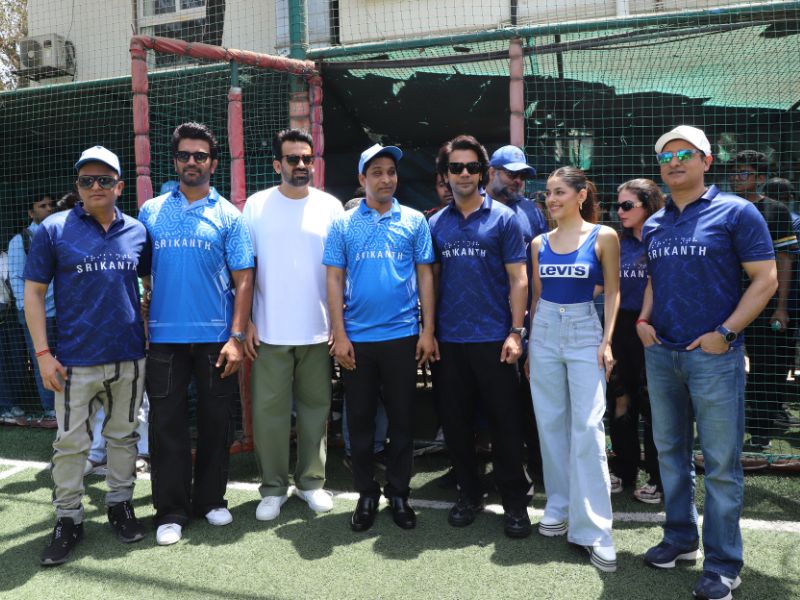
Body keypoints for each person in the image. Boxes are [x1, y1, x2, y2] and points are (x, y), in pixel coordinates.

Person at [637, 126, 777, 600]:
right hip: (662, 353)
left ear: (707, 160)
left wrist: (726, 334)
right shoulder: (655, 222)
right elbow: (655, 278)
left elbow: (766, 279)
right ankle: (680, 539)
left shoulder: (737, 212)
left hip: (715, 358)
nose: (674, 163)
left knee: (720, 465)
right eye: (666, 157)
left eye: (684, 154)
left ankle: (723, 565)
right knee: (669, 455)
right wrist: (643, 320)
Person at [24, 146, 150, 565]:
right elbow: (34, 294)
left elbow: (146, 282)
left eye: (104, 179)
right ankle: (68, 518)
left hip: (129, 356)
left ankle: (120, 505)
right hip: (73, 361)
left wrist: (144, 313)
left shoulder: (137, 230)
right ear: (77, 186)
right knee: (70, 445)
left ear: (119, 185)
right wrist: (43, 354)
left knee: (124, 437)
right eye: (86, 180)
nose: (96, 186)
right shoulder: (54, 229)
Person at [138, 122, 254, 546]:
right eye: (185, 155)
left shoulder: (230, 216)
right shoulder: (151, 211)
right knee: (166, 425)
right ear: (175, 162)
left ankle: (211, 500)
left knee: (216, 422)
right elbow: (141, 270)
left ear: (213, 163)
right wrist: (144, 299)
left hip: (216, 339)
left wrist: (236, 337)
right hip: (164, 339)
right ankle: (170, 511)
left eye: (200, 155)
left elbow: (244, 279)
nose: (192, 161)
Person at [324, 143, 436, 532]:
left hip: (403, 337)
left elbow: (425, 275)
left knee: (403, 420)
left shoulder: (414, 221)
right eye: (377, 172)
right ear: (362, 179)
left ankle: (399, 493)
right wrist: (339, 334)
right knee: (360, 422)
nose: (386, 179)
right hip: (357, 341)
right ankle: (366, 493)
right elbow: (334, 278)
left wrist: (427, 330)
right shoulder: (342, 224)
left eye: (391, 171)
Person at [428, 134, 531, 539]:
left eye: (472, 167)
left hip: (495, 340)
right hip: (450, 342)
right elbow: (432, 282)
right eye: (456, 167)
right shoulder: (435, 223)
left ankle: (515, 503)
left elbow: (519, 278)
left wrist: (516, 332)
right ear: (445, 174)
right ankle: (468, 494)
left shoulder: (505, 219)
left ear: (484, 172)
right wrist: (429, 332)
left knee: (506, 425)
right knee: (456, 425)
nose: (465, 174)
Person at [241, 128, 342, 521]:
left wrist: (338, 325)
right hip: (268, 331)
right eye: (293, 158)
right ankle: (272, 489)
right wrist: (247, 321)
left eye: (306, 158)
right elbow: (244, 268)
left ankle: (311, 483)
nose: (301, 165)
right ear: (276, 164)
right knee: (270, 414)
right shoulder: (256, 205)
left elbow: (340, 271)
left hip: (319, 330)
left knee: (316, 410)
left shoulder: (331, 206)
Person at [525, 166, 620, 572]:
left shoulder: (604, 236)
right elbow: (536, 297)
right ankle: (559, 506)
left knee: (588, 427)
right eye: (548, 193)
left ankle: (596, 531)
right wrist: (531, 345)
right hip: (545, 331)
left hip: (585, 331)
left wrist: (606, 341)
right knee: (550, 423)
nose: (552, 199)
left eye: (560, 192)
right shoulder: (538, 243)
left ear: (581, 195)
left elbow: (613, 292)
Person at [487, 144, 549, 481]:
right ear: (492, 172)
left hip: (523, 319)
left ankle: (537, 466)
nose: (518, 181)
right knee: (489, 400)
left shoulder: (531, 212)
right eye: (512, 174)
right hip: (483, 319)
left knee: (530, 396)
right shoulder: (473, 208)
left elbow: (538, 270)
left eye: (522, 176)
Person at [729, 151, 799, 448]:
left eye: (744, 173)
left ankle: (761, 431)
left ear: (760, 178)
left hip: (764, 301)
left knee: (765, 366)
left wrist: (781, 307)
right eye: (734, 172)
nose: (736, 178)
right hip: (723, 300)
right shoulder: (720, 207)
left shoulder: (775, 210)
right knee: (719, 362)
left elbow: (785, 259)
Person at [607, 179, 664, 504]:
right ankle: (624, 470)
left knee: (654, 404)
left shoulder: (663, 238)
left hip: (656, 329)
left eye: (627, 205)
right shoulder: (618, 243)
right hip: (621, 328)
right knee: (620, 399)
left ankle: (658, 477)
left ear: (648, 205)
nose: (620, 211)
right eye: (618, 205)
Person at [8, 193, 57, 427]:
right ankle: (50, 410)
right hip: (36, 314)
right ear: (31, 212)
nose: (48, 208)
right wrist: (27, 308)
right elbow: (16, 279)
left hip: (62, 312)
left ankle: (68, 406)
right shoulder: (20, 241)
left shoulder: (59, 234)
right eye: (42, 205)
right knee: (42, 359)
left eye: (51, 205)